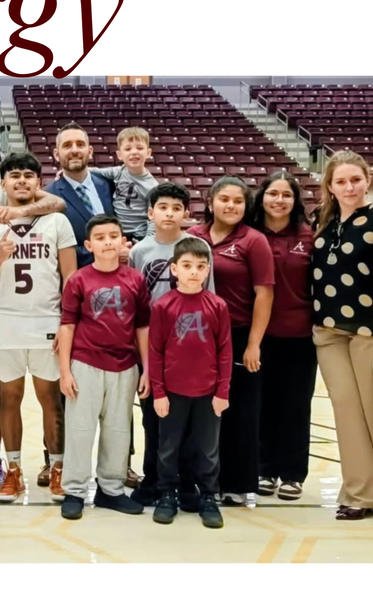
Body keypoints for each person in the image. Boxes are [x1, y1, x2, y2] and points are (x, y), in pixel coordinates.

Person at [0, 152, 77, 503]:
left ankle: (58, 468)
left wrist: (68, 323)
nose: (21, 181)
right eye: (14, 175)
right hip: (5, 320)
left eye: (28, 176)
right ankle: (13, 470)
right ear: (2, 183)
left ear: (38, 182)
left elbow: (71, 278)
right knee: (9, 399)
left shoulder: (56, 222)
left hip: (47, 320)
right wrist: (0, 257)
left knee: (51, 400)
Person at [310, 150, 373, 521]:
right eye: (341, 181)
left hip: (370, 330)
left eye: (355, 180)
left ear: (368, 180)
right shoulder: (322, 220)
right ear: (329, 186)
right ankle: (362, 494)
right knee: (345, 411)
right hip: (327, 332)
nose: (349, 187)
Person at [188, 176, 274, 506]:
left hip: (237, 334)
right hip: (196, 335)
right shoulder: (193, 236)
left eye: (238, 201)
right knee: (199, 413)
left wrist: (254, 343)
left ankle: (236, 484)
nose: (231, 206)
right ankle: (197, 480)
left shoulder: (254, 241)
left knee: (239, 412)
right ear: (210, 203)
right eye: (224, 199)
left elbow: (264, 294)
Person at [58, 214, 150, 520]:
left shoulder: (135, 279)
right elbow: (68, 326)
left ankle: (111, 490)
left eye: (114, 235)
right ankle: (74, 489)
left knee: (119, 430)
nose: (108, 241)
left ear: (123, 241)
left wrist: (146, 368)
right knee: (80, 429)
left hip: (124, 366)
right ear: (89, 244)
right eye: (100, 237)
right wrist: (65, 371)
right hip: (85, 363)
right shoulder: (79, 280)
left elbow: (142, 327)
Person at [128, 182, 214, 509]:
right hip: (152, 348)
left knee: (191, 422)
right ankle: (154, 480)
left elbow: (212, 300)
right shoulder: (139, 253)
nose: (169, 213)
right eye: (163, 207)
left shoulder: (199, 249)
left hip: (191, 348)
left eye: (177, 208)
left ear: (186, 214)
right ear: (150, 212)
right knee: (154, 418)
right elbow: (137, 304)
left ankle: (188, 483)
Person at [148, 239, 230, 529]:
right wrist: (159, 393)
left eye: (199, 266)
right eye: (187, 266)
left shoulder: (217, 305)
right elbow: (155, 351)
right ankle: (167, 494)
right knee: (168, 447)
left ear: (207, 270)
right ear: (174, 269)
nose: (193, 272)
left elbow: (225, 351)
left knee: (207, 449)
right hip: (172, 392)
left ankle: (208, 495)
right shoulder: (162, 306)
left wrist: (222, 392)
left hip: (208, 393)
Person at [248, 172, 316, 502]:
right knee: (260, 404)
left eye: (286, 195)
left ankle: (292, 473)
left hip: (299, 335)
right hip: (256, 335)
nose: (279, 200)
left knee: (295, 406)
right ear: (261, 199)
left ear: (295, 200)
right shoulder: (248, 234)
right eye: (272, 193)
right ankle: (263, 468)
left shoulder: (309, 236)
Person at [45, 123, 116, 269]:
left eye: (80, 144)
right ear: (57, 155)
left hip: (118, 275)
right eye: (67, 145)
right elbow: (53, 248)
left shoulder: (111, 184)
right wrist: (106, 252)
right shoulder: (48, 196)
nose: (74, 150)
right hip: (79, 280)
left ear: (89, 151)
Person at [89, 127, 158, 242]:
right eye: (128, 149)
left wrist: (146, 243)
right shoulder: (118, 172)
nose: (134, 152)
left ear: (148, 153)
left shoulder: (153, 186)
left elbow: (153, 220)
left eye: (140, 148)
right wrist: (69, 172)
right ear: (119, 155)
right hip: (116, 233)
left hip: (138, 236)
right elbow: (94, 171)